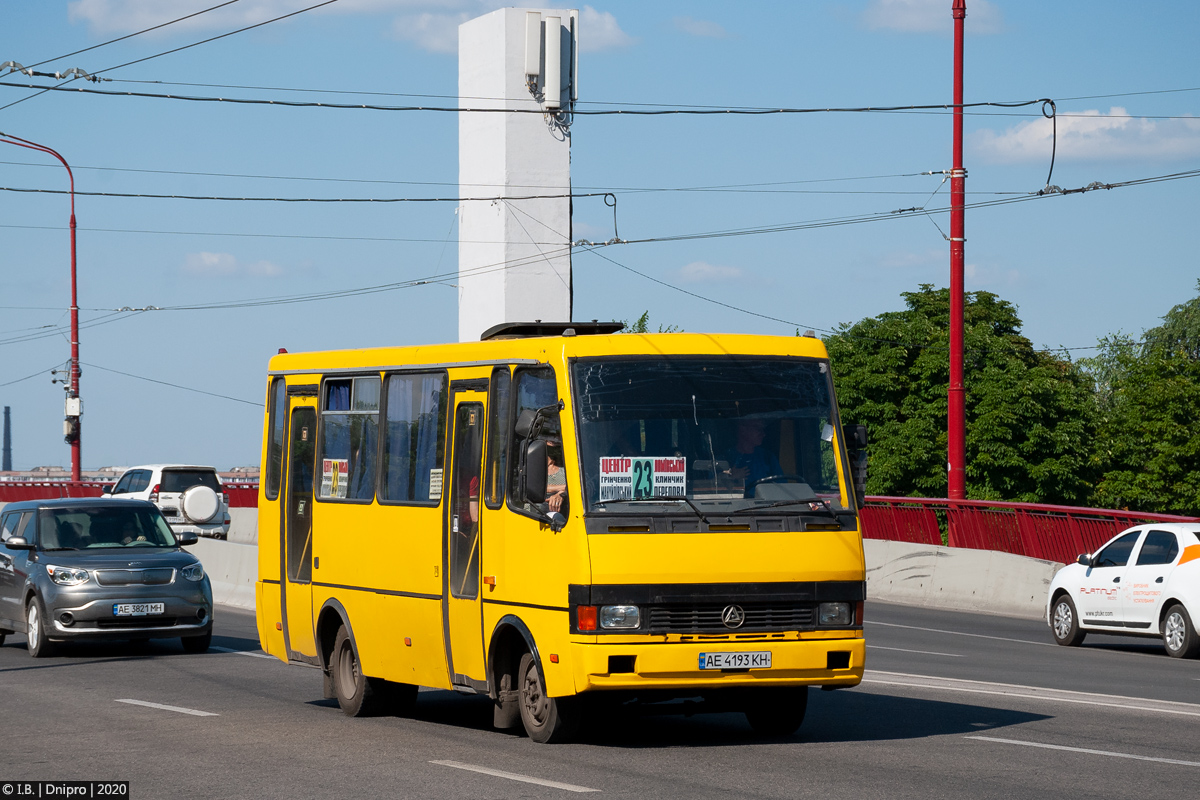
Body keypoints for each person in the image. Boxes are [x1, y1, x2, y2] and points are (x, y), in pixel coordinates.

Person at [724, 418, 781, 495]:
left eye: (763, 429)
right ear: (743, 430)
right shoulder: (726, 458)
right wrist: (731, 478)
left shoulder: (768, 458)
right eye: (758, 429)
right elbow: (710, 486)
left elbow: (782, 487)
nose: (763, 434)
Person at [545, 440, 567, 513]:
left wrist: (561, 494)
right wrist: (565, 487)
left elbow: (579, 487)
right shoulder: (533, 470)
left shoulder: (565, 471)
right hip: (534, 515)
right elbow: (536, 487)